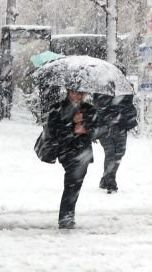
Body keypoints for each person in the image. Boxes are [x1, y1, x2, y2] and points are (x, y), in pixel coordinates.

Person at [47, 88, 98, 229]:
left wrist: (86, 128)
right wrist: (71, 123)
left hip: (84, 152)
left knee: (76, 185)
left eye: (82, 92)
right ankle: (65, 217)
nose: (79, 95)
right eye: (75, 92)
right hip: (67, 151)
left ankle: (68, 214)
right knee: (71, 183)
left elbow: (97, 129)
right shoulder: (57, 108)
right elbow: (53, 130)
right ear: (69, 92)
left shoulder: (89, 109)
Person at [94, 93, 138, 194]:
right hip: (105, 128)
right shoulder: (102, 88)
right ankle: (111, 183)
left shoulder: (124, 90)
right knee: (110, 154)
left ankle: (105, 179)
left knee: (119, 154)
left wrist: (126, 116)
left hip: (120, 128)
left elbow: (130, 108)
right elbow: (97, 109)